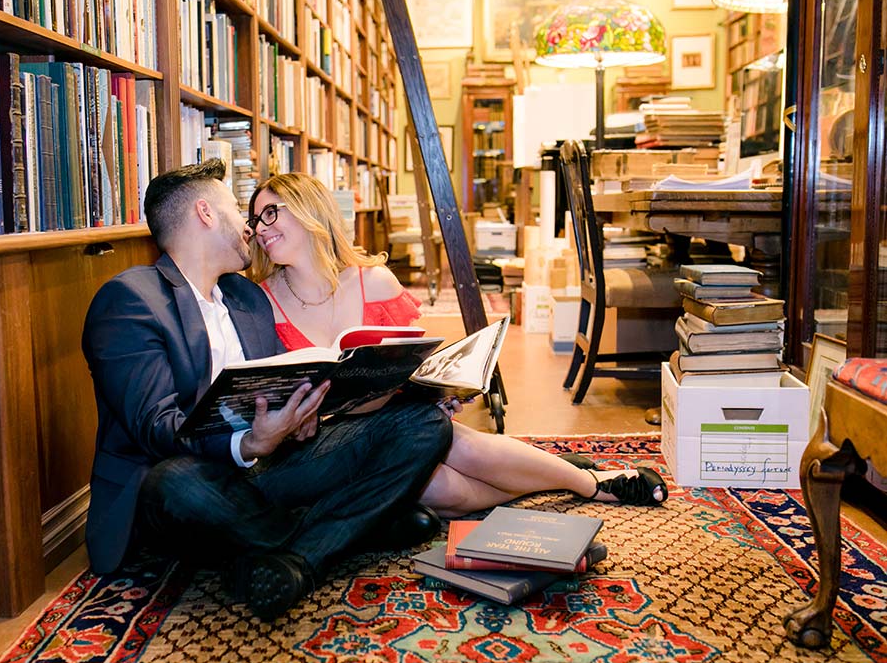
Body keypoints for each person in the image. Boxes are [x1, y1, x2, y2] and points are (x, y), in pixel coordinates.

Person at [81, 159, 454, 621]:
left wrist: (302, 412)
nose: (251, 228)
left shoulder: (247, 297)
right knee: (176, 480)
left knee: (422, 424)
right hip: (192, 483)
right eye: (241, 211)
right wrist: (248, 441)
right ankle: (350, 531)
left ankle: (296, 556)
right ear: (205, 213)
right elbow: (155, 428)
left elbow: (281, 382)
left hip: (268, 469)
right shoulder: (132, 299)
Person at [247, 172, 669, 516]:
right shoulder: (261, 300)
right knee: (442, 495)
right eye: (254, 219)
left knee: (456, 446)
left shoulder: (372, 282)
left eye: (271, 213)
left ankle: (594, 484)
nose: (260, 229)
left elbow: (414, 359)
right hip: (329, 438)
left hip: (398, 417)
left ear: (308, 209)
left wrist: (436, 391)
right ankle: (550, 477)